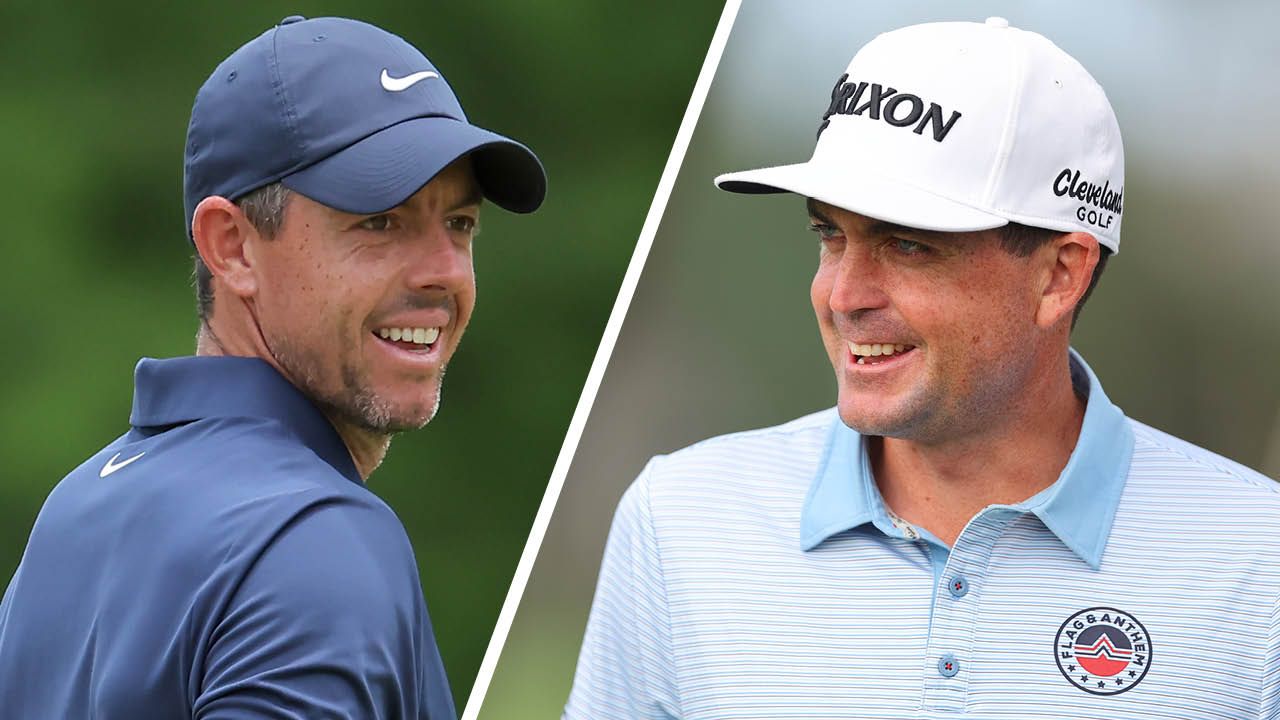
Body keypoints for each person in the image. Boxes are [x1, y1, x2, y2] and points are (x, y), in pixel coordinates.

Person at [566, 17, 1279, 719]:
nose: (844, 295)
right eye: (830, 235)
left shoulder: (1258, 562)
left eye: (907, 246)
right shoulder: (679, 525)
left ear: (1060, 275)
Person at [0, 15, 544, 719]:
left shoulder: (76, 510)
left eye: (460, 225)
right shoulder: (314, 540)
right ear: (232, 247)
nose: (445, 273)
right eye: (380, 220)